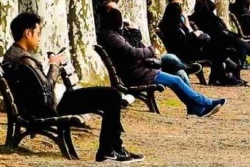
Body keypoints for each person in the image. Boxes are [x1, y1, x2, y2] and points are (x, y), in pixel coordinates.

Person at [4, 12, 144, 164]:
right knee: (112, 96)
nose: (39, 37)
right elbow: (46, 89)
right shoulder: (24, 60)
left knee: (112, 95)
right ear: (28, 33)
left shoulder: (15, 54)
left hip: (48, 104)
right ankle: (108, 150)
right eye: (38, 33)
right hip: (51, 107)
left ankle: (114, 148)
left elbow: (41, 87)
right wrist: (54, 66)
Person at [97, 7, 226, 117]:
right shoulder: (112, 37)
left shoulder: (112, 35)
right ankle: (206, 102)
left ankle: (196, 107)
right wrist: (151, 50)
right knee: (176, 80)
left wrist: (132, 30)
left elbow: (133, 45)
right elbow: (132, 52)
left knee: (178, 76)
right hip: (138, 74)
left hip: (139, 71)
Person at [99, 0, 201, 83]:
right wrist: (151, 50)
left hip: (146, 62)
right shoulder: (111, 35)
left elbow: (136, 43)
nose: (118, 14)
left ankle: (195, 103)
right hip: (141, 67)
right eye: (115, 11)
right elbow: (132, 48)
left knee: (180, 73)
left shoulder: (121, 30)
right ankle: (187, 68)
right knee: (171, 58)